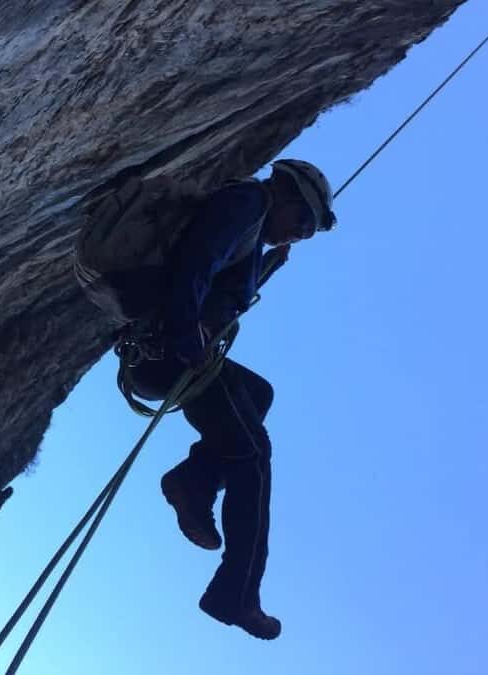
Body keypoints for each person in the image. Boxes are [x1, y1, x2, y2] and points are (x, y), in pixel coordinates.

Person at [126, 159, 336, 640]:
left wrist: (263, 265)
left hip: (166, 349)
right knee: (253, 454)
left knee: (259, 394)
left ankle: (194, 481)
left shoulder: (253, 231)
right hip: (171, 349)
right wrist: (185, 335)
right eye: (304, 221)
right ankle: (236, 594)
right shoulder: (246, 203)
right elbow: (195, 261)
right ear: (285, 194)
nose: (301, 234)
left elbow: (218, 281)